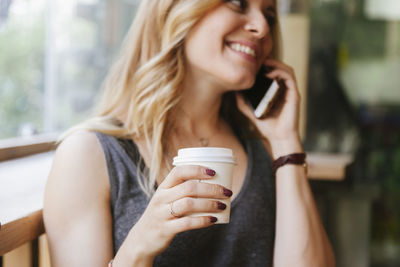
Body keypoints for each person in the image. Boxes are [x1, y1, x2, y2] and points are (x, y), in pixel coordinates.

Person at [43, 0, 335, 266]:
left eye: (269, 15)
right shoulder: (88, 156)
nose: (260, 28)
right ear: (174, 9)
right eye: (238, 3)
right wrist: (139, 246)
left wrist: (286, 141)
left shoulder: (270, 151)